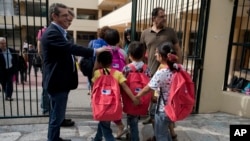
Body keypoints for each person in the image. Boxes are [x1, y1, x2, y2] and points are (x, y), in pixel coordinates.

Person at [41, 3, 108, 141]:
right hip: (57, 82)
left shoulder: (60, 32)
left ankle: (54, 137)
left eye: (69, 16)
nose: (68, 18)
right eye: (65, 16)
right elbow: (70, 48)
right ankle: (53, 139)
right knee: (57, 116)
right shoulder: (52, 33)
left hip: (60, 81)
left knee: (56, 115)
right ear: (54, 16)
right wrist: (95, 51)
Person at [140, 7, 181, 140]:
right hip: (152, 73)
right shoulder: (145, 33)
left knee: (166, 103)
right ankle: (160, 133)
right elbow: (142, 51)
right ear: (154, 18)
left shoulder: (170, 32)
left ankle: (166, 133)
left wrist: (178, 65)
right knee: (156, 104)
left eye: (165, 16)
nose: (164, 18)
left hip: (168, 72)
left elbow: (177, 49)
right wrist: (142, 66)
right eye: (161, 16)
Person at [91, 51, 139, 141]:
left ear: (100, 63)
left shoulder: (97, 73)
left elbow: (93, 86)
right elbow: (125, 87)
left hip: (101, 104)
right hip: (113, 104)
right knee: (104, 122)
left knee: (105, 125)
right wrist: (134, 98)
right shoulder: (117, 74)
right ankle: (97, 138)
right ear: (112, 61)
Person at [136, 42, 179, 141]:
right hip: (174, 106)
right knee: (165, 132)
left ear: (162, 55)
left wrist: (137, 96)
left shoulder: (162, 72)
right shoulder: (177, 68)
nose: (155, 54)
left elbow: (149, 88)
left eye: (156, 52)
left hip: (163, 109)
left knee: (161, 135)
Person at [122, 41, 151, 141]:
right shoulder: (147, 69)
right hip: (142, 98)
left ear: (129, 55)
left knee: (132, 121)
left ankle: (134, 138)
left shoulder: (126, 68)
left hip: (130, 99)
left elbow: (122, 84)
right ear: (143, 55)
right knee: (135, 118)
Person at [103, 28, 129, 138]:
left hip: (107, 84)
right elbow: (127, 68)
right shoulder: (123, 52)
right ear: (118, 39)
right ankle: (121, 125)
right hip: (119, 83)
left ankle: (119, 125)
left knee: (107, 105)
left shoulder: (102, 51)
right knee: (116, 104)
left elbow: (97, 67)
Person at [79, 26, 110, 95]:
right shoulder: (106, 44)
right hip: (101, 68)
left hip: (90, 67)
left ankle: (93, 98)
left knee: (93, 85)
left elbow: (88, 53)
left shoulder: (92, 42)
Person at [0, 37, 18, 101]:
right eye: (2, 43)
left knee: (9, 82)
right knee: (3, 83)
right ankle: (6, 94)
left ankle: (8, 96)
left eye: (4, 43)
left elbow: (16, 58)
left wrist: (15, 67)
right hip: (2, 71)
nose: (3, 45)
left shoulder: (11, 50)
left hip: (10, 69)